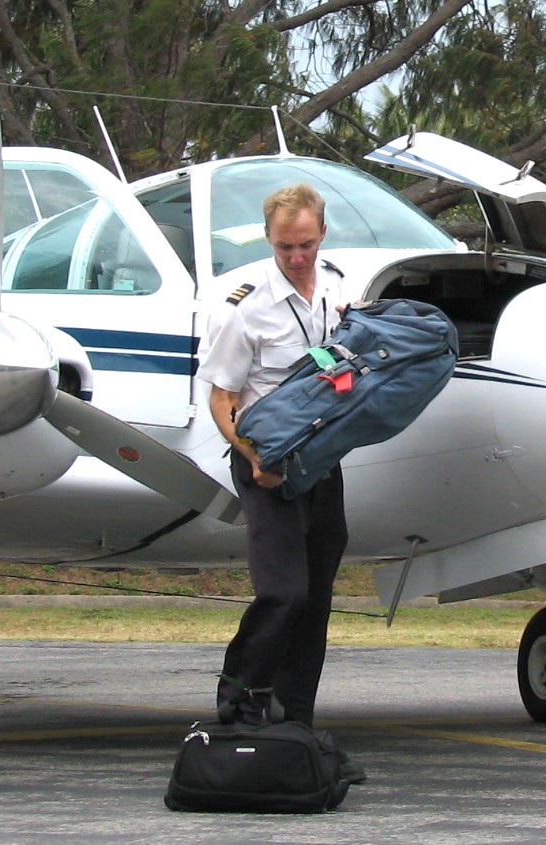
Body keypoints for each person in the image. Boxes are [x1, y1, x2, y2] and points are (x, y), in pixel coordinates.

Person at [195, 183, 349, 727]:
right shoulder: (244, 308)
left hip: (322, 462)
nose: (297, 258)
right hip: (268, 464)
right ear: (269, 241)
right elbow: (221, 398)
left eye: (306, 244)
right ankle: (237, 696)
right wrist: (253, 456)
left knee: (316, 601)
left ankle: (296, 722)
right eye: (285, 247)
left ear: (322, 234)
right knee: (284, 592)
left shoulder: (335, 290)